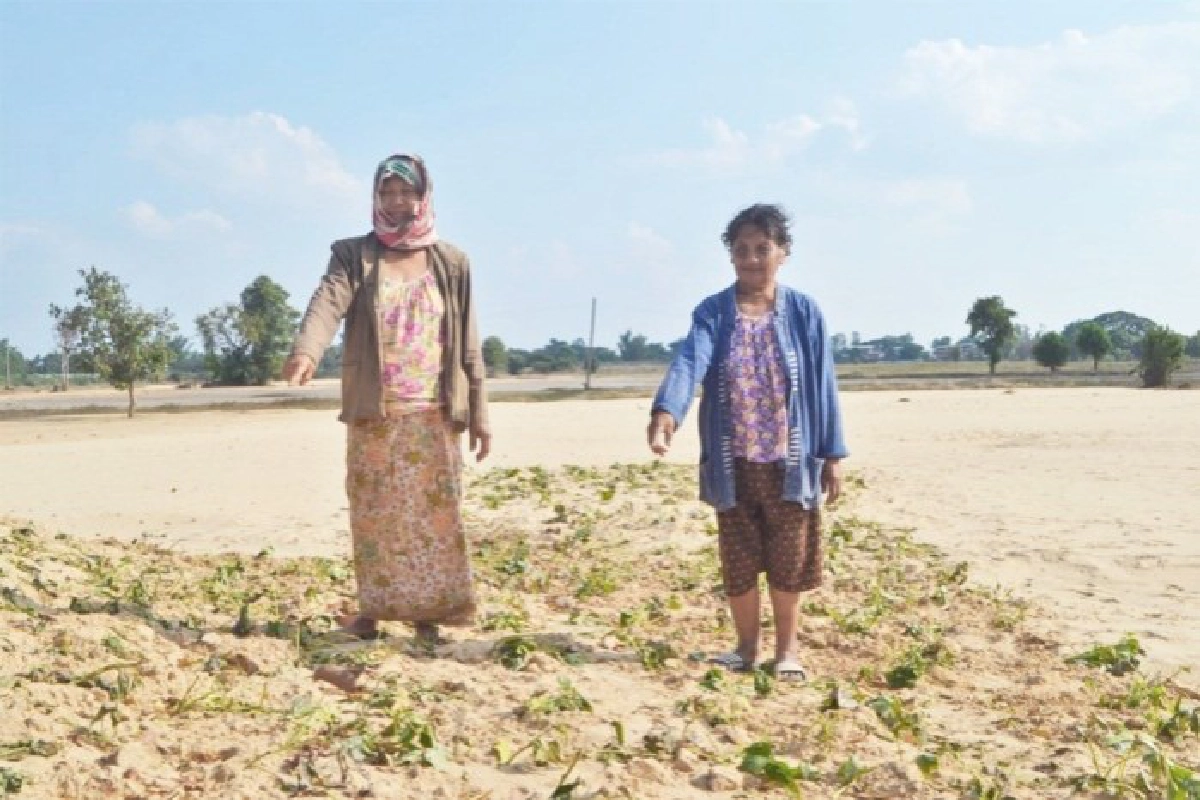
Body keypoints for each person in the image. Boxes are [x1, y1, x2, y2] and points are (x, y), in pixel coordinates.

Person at [283, 153, 491, 644]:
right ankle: (373, 611)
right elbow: (329, 300)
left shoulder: (452, 261)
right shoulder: (354, 255)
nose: (396, 202)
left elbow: (469, 343)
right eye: (386, 193)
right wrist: (307, 350)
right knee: (375, 515)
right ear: (375, 198)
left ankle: (428, 616)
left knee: (433, 518)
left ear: (424, 197)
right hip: (376, 410)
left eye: (406, 192)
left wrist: (479, 412)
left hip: (433, 411)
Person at [647, 203, 847, 680]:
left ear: (783, 253)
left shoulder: (804, 313)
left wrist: (833, 454)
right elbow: (688, 362)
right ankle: (745, 649)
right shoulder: (713, 313)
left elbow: (823, 384)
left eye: (763, 249)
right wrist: (666, 412)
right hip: (733, 462)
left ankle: (787, 653)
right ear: (730, 255)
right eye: (742, 250)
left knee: (787, 563)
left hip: (790, 462)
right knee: (738, 562)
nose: (752, 259)